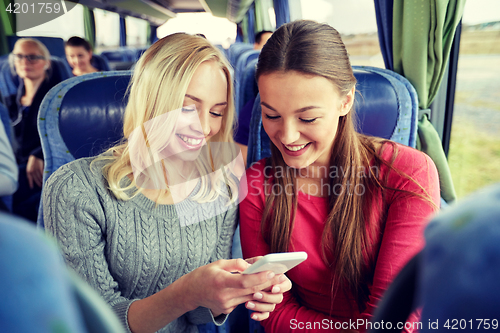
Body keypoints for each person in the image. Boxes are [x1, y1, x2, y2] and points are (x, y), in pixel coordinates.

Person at [44, 33, 291, 333]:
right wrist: (186, 292)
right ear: (152, 101)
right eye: (188, 107)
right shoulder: (77, 189)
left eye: (217, 112)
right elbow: (94, 321)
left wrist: (232, 288)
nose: (205, 127)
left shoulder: (220, 187)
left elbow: (197, 315)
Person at [239, 20, 440, 333]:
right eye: (271, 115)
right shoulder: (256, 186)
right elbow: (274, 314)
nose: (288, 136)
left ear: (345, 101)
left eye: (308, 117)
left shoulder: (408, 173)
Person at [7, 38, 61, 222]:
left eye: (32, 57)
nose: (25, 62)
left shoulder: (57, 97)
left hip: (42, 164)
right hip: (14, 162)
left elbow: (61, 130)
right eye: (19, 57)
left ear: (46, 63)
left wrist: (39, 153)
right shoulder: (10, 100)